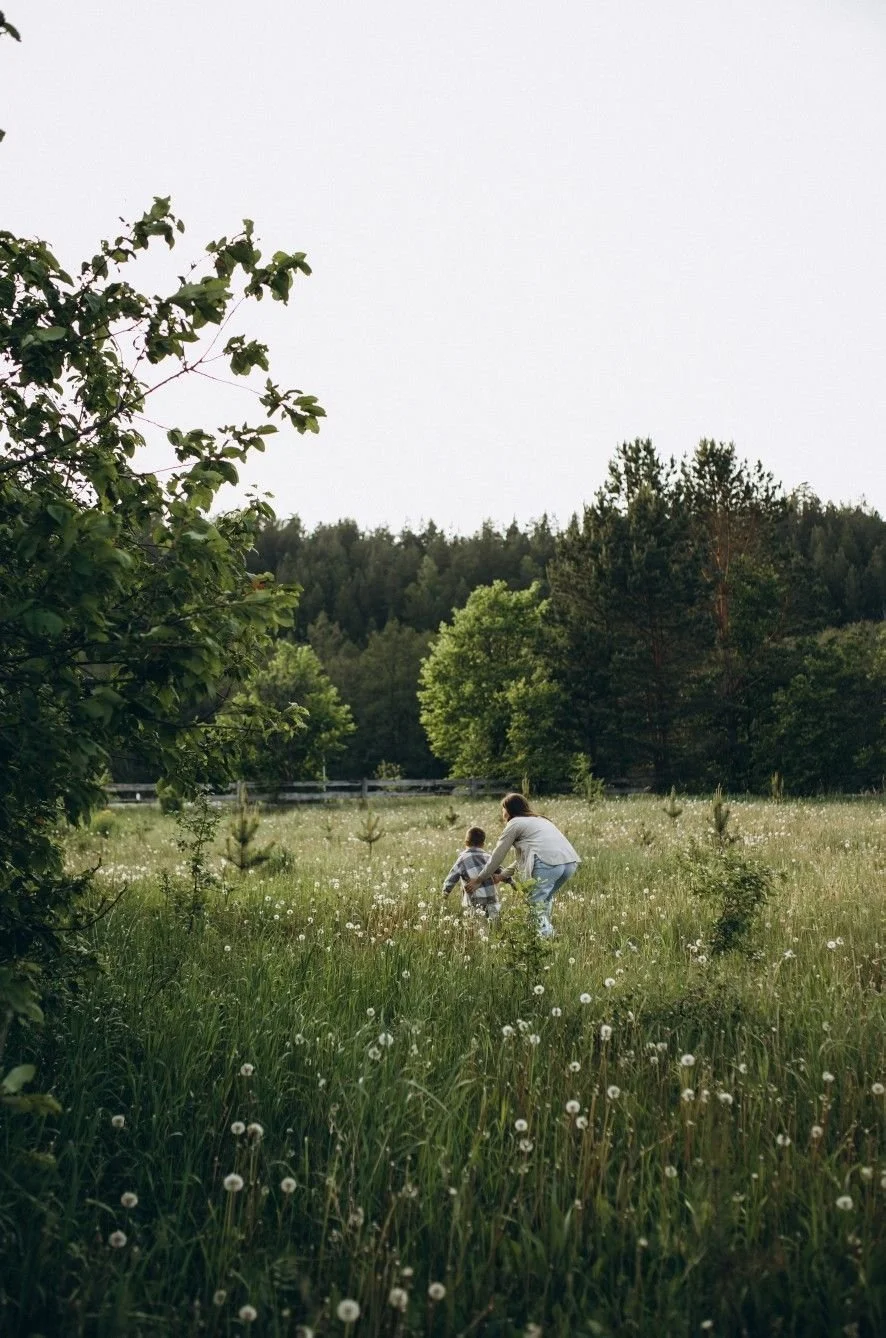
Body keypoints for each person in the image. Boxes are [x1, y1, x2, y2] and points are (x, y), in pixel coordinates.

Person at [464, 793, 580, 938]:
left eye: (503, 809)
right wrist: (501, 876)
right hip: (569, 863)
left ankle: (547, 938)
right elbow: (524, 858)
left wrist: (479, 880)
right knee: (544, 901)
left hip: (547, 864)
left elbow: (497, 856)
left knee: (534, 906)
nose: (502, 813)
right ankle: (545, 937)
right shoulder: (540, 820)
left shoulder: (515, 823)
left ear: (509, 809)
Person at [441, 825, 511, 919]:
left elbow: (452, 876)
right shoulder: (488, 857)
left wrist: (446, 891)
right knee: (494, 926)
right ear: (483, 844)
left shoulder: (462, 859)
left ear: (466, 842)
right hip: (492, 899)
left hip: (475, 901)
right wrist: (511, 881)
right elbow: (501, 871)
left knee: (478, 927)